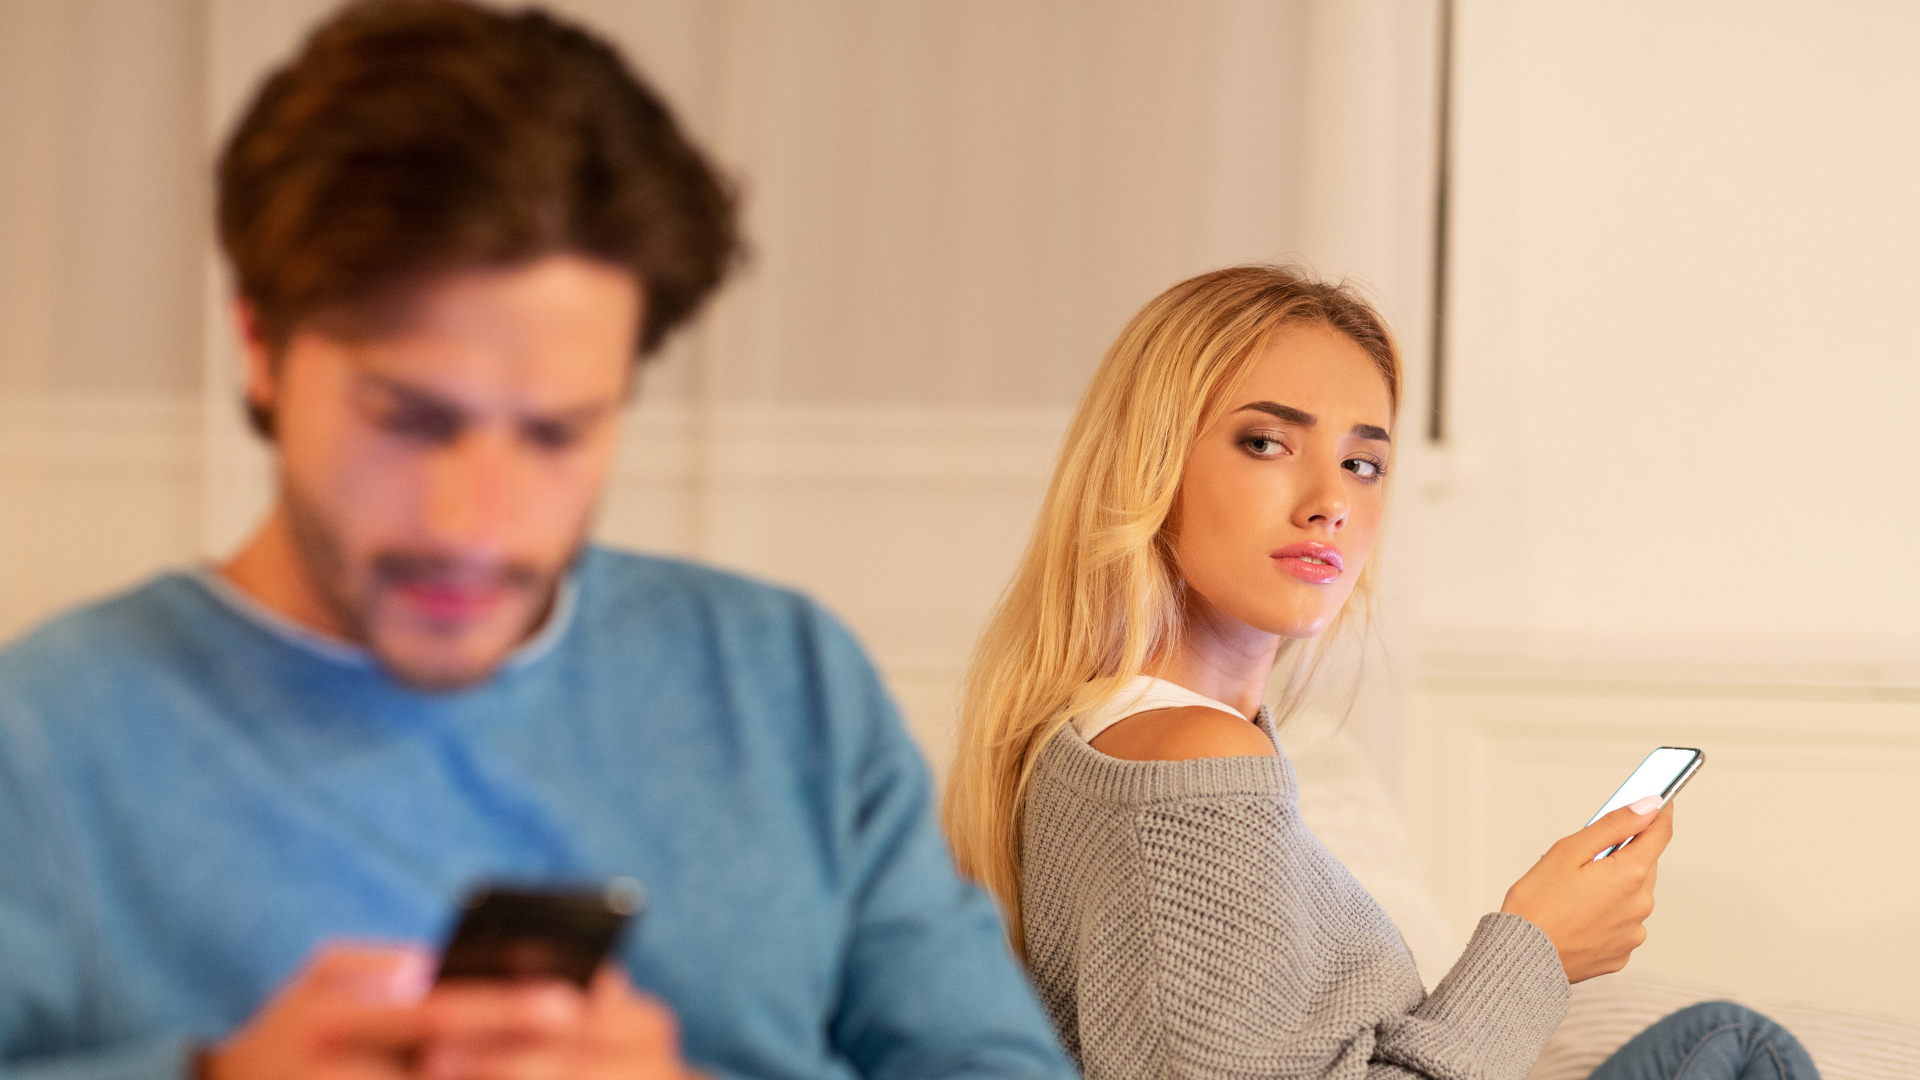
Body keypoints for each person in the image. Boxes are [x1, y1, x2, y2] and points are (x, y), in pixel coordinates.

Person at [0, 4, 1075, 1080]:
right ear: (261, 349)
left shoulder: (782, 683)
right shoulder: (47, 738)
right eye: (412, 420)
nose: (478, 524)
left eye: (558, 434)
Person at [942, 265, 1819, 1080]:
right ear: (1151, 463)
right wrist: (1538, 949)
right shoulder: (1191, 764)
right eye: (1266, 443)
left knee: (1723, 1041)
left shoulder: (1103, 738)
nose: (1331, 501)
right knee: (1735, 1050)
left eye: (1363, 463)